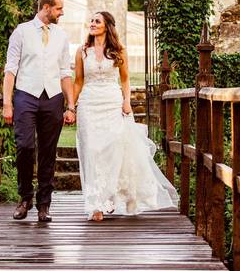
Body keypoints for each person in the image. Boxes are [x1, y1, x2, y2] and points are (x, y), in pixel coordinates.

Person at [71, 11, 178, 221]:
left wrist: (126, 101)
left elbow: (125, 79)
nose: (92, 24)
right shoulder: (82, 51)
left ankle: (109, 196)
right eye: (91, 21)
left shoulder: (119, 51)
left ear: (107, 26)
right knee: (91, 151)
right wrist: (70, 106)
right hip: (89, 103)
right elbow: (78, 81)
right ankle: (96, 205)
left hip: (112, 102)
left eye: (97, 21)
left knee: (113, 149)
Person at [2, 0, 77, 223]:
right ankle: (25, 198)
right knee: (24, 145)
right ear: (46, 7)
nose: (61, 13)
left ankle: (44, 204)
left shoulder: (61, 36)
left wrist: (71, 105)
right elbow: (10, 69)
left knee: (48, 151)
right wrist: (7, 103)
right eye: (58, 8)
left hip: (53, 97)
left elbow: (65, 72)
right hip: (26, 95)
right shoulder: (22, 32)